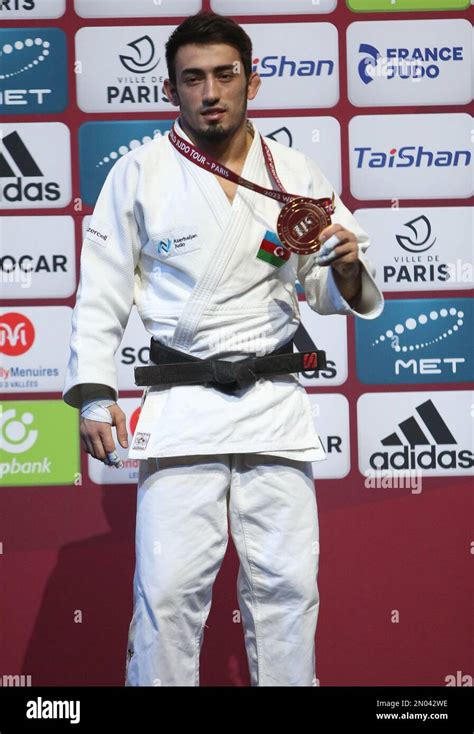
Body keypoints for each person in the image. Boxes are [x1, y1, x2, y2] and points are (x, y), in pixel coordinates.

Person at [63, 11, 384, 686]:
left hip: (272, 399)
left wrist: (348, 265)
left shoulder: (295, 171)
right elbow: (101, 293)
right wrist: (95, 392)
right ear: (172, 90)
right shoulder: (139, 173)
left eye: (224, 75)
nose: (210, 91)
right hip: (182, 403)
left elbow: (327, 288)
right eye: (193, 78)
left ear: (251, 82)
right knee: (171, 592)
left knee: (288, 588)